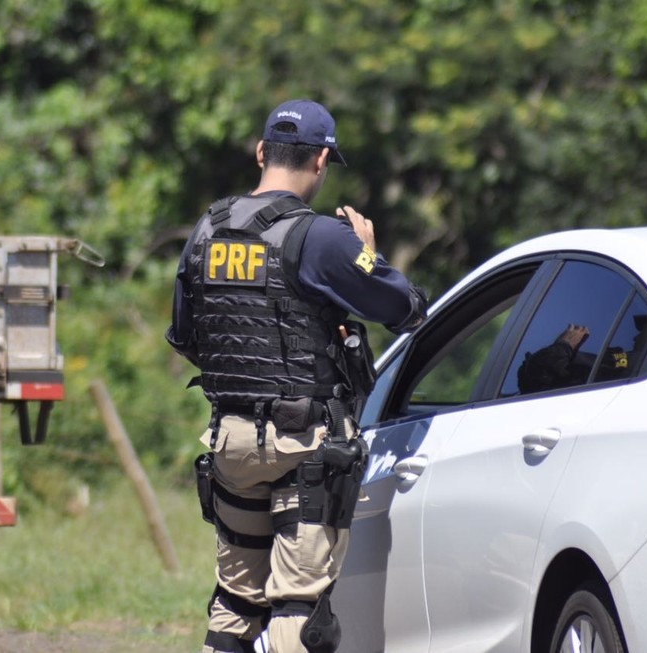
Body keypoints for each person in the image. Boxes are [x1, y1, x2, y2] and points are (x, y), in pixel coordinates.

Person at [166, 99, 427, 653]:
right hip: (305, 446)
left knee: (235, 603)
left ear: (262, 152)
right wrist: (367, 255)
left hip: (230, 441)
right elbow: (405, 306)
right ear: (322, 160)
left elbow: (188, 337)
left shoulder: (206, 230)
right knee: (298, 608)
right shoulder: (322, 239)